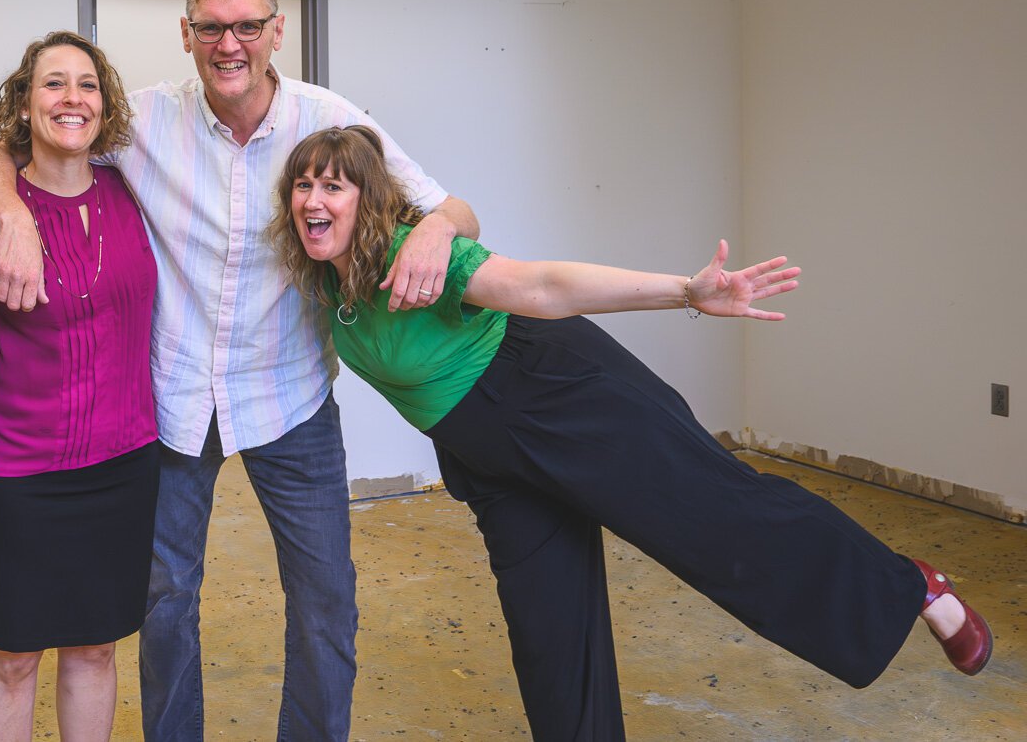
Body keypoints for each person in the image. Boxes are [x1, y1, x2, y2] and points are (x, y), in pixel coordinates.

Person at [269, 124, 994, 742]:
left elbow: (545, 286)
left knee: (721, 518)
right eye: (302, 185)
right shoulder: (327, 280)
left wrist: (684, 290)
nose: (313, 199)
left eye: (333, 185)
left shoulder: (419, 255)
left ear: (370, 199)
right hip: (486, 452)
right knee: (549, 629)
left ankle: (909, 588)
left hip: (558, 392)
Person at [0, 0, 479, 741]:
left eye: (247, 24)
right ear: (186, 32)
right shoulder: (139, 120)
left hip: (290, 396)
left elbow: (452, 207)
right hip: (171, 400)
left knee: (325, 599)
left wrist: (438, 233)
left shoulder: (328, 119)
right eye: (211, 27)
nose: (229, 44)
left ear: (277, 29)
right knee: (165, 600)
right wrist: (12, 217)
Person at [0, 32, 159, 742]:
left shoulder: (135, 187)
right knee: (12, 659)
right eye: (52, 83)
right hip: (16, 473)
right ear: (23, 102)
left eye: (87, 84)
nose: (71, 98)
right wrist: (13, 216)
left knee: (95, 648)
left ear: (105, 105)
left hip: (125, 465)